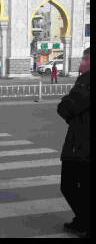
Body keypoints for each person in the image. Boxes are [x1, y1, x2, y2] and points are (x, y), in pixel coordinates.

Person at [58, 47, 90, 238]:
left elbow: (66, 108)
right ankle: (81, 220)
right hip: (82, 143)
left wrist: (69, 110)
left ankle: (85, 222)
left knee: (69, 185)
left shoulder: (85, 81)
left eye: (84, 60)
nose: (80, 63)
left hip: (81, 146)